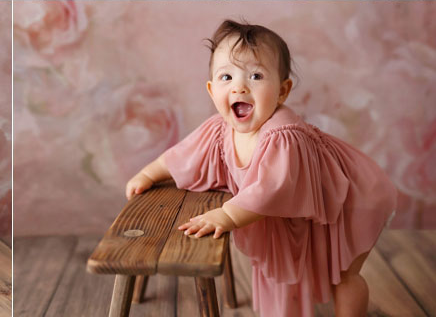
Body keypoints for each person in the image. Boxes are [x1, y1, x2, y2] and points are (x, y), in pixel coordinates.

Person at [125, 20, 395, 317]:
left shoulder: (283, 135)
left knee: (344, 276)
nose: (239, 86)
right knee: (285, 278)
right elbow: (181, 156)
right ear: (212, 90)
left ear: (282, 91)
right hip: (310, 207)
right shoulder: (219, 129)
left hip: (352, 199)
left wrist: (226, 214)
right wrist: (148, 174)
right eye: (226, 76)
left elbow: (271, 189)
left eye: (255, 76)